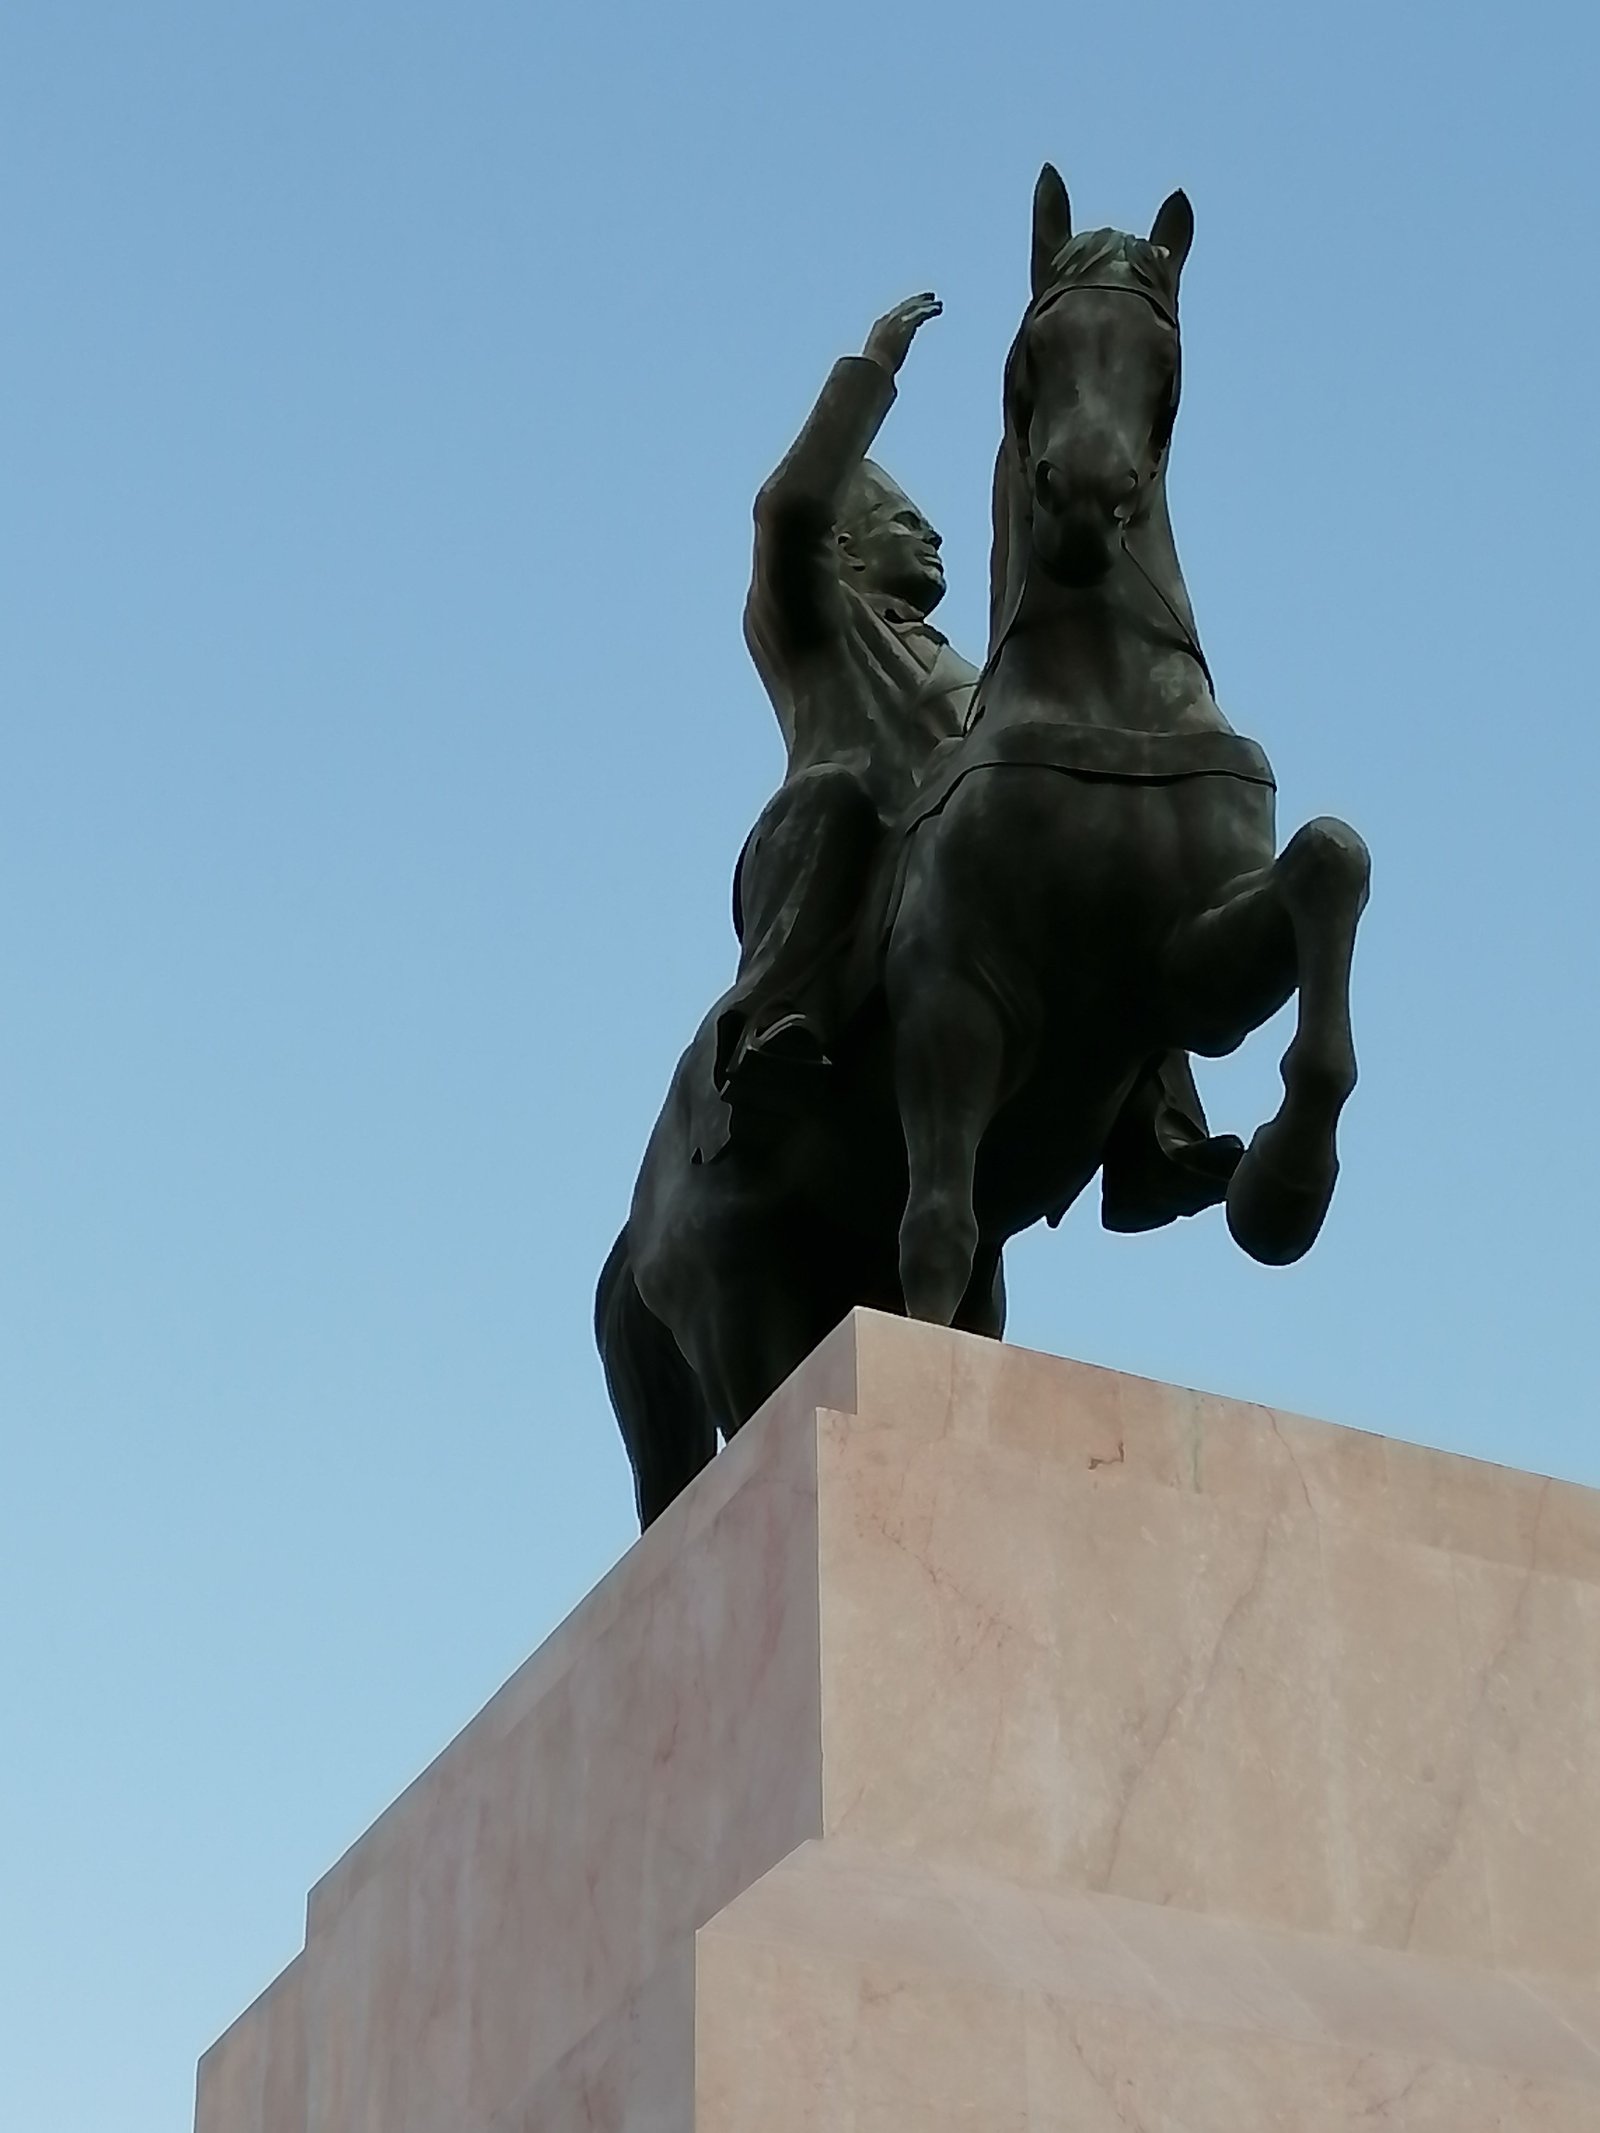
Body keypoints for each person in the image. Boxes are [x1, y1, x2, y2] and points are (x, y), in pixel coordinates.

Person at [701, 293, 1239, 1231]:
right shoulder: (814, 616)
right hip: (847, 845)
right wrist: (874, 370)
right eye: (902, 520)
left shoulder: (979, 672)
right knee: (836, 800)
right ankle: (776, 1021)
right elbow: (786, 510)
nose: (933, 533)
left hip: (954, 862)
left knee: (1107, 869)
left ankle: (1153, 1132)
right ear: (843, 545)